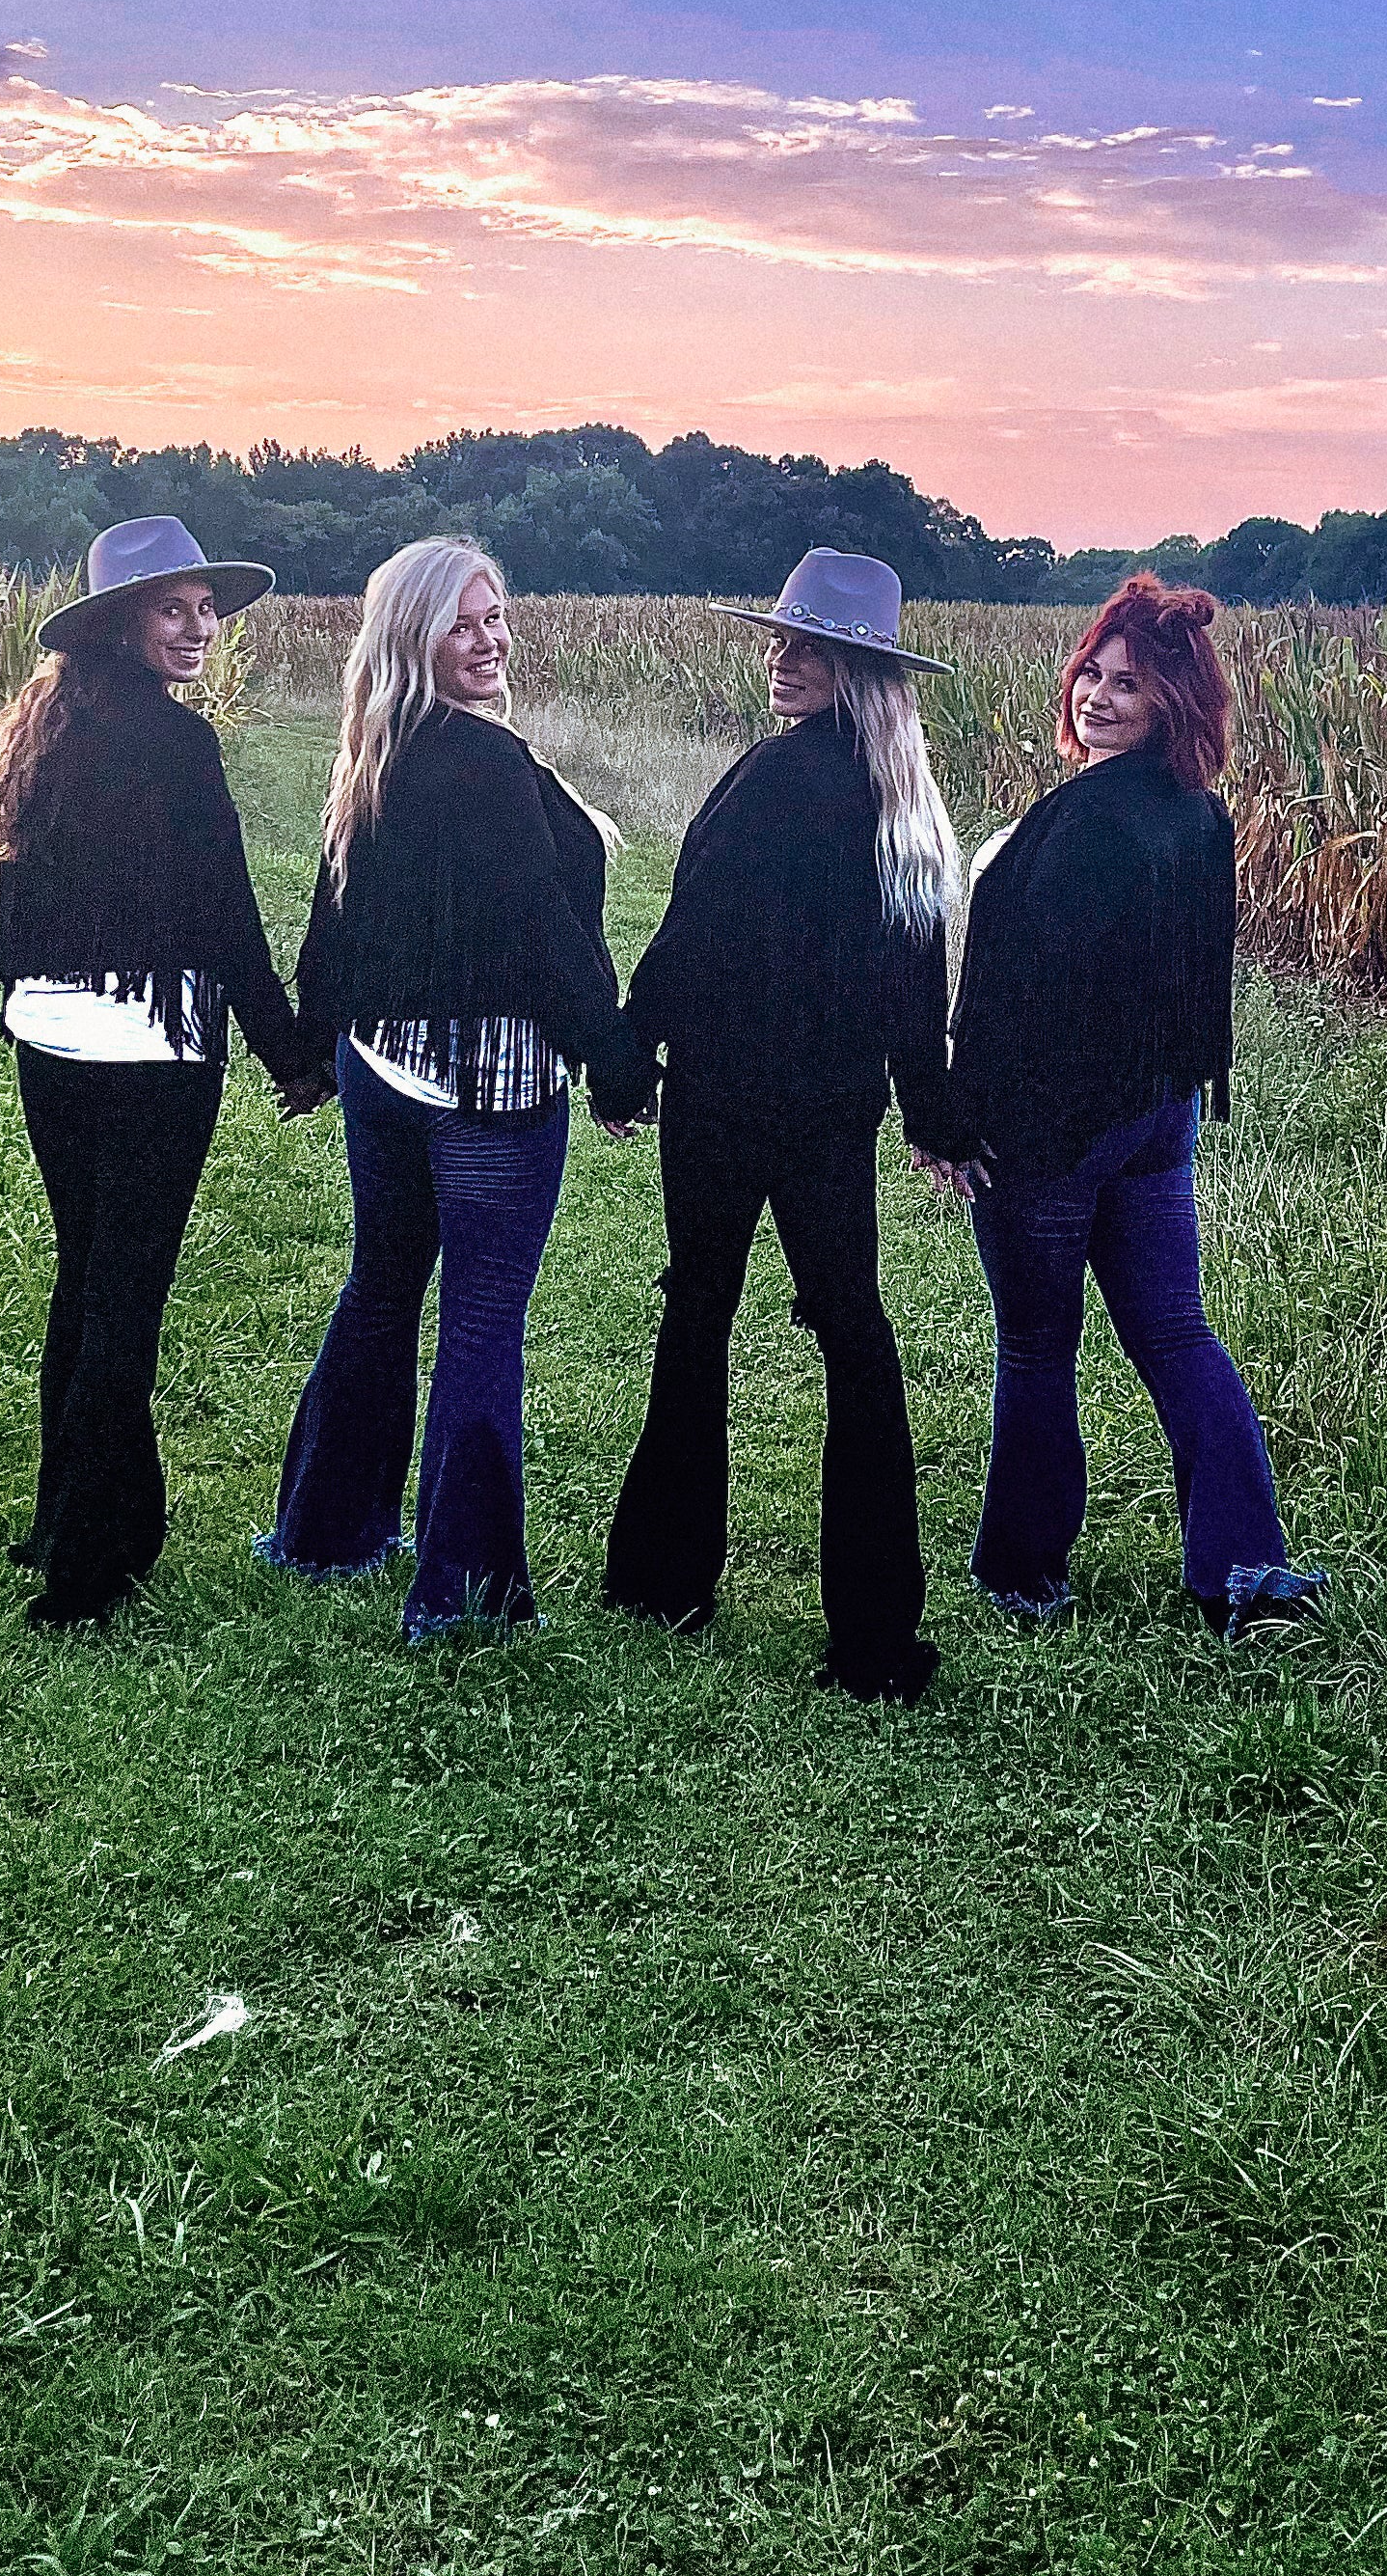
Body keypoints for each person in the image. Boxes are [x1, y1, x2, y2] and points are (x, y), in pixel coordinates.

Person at [596, 549, 966, 1705]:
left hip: (723, 1100)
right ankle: (874, 1638)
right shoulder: (897, 797)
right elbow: (918, 984)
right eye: (777, 638)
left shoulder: (771, 780)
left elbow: (691, 933)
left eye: (808, 645)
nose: (781, 657)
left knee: (699, 1307)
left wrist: (622, 1057)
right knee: (854, 1335)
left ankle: (665, 1579)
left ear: (856, 667)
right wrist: (931, 1111)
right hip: (832, 1113)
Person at [258, 539, 634, 1642]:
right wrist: (614, 1063)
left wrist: (314, 1042)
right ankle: (463, 1595)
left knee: (379, 1287)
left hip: (381, 1074)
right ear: (411, 635)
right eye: (463, 624)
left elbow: (335, 916)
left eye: (498, 617)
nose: (490, 640)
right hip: (489, 1093)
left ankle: (327, 1529)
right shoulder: (481, 762)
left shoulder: (376, 750)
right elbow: (541, 935)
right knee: (477, 1319)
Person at [940, 573, 1325, 1634]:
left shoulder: (1078, 826)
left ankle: (1025, 1576)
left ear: (1174, 704)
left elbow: (1024, 1004)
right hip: (1160, 1119)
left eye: (1130, 685)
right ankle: (1246, 1571)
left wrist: (963, 1123)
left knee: (1035, 1347)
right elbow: (1200, 981)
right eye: (1092, 674)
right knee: (1176, 1333)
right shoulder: (1200, 815)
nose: (1097, 698)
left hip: (1057, 1134)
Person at [0, 514, 301, 1631]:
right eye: (174, 608)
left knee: (84, 1275)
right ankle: (87, 1567)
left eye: (206, 608)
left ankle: (65, 1511)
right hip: (151, 1050)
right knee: (126, 1296)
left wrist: (23, 1010)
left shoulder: (45, 735)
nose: (200, 627)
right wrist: (291, 1052)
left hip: (50, 1039)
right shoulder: (177, 746)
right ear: (122, 622)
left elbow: (15, 907)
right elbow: (226, 919)